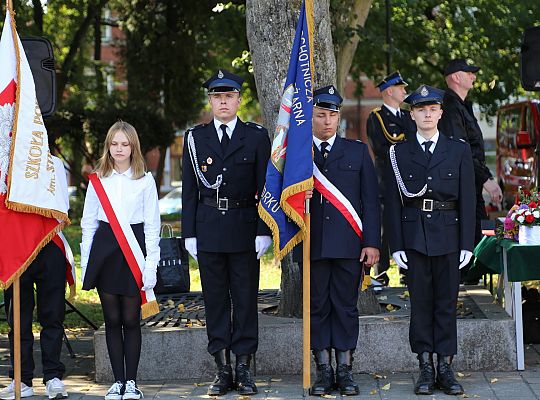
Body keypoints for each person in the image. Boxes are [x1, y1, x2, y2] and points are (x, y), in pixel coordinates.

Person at [181, 69, 272, 396]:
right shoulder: (195, 138)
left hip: (245, 227)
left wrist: (265, 230)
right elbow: (189, 190)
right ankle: (222, 369)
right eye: (217, 96)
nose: (223, 101)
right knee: (215, 300)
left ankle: (245, 368)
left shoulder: (257, 136)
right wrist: (188, 233)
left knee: (246, 299)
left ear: (238, 99)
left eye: (229, 96)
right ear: (210, 100)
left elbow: (266, 187)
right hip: (209, 228)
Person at [385, 85, 476, 396]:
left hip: (449, 236)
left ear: (440, 113)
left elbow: (467, 199)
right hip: (414, 238)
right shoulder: (399, 152)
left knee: (447, 304)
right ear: (412, 115)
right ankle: (425, 365)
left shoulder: (458, 149)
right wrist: (395, 244)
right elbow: (393, 202)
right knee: (421, 304)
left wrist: (467, 243)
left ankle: (445, 367)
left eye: (432, 109)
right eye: (420, 109)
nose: (426, 113)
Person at [304, 85, 380, 396]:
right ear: (311, 116)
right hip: (313, 244)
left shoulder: (357, 151)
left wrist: (372, 243)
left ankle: (345, 370)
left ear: (339, 119)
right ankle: (323, 370)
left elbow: (371, 202)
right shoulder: (297, 156)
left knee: (346, 307)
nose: (325, 121)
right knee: (318, 306)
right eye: (320, 115)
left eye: (331, 115)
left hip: (350, 245)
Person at [81, 121, 160, 400]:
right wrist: (86, 263)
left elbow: (152, 226)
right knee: (111, 319)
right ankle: (117, 382)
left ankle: (131, 383)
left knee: (131, 319)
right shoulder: (98, 179)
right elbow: (88, 223)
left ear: (133, 146)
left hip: (133, 251)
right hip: (105, 252)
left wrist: (151, 265)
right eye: (114, 143)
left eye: (124, 143)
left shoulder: (145, 180)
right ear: (108, 146)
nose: (119, 149)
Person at [0, 157, 71, 400]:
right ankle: (22, 378)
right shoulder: (4, 165)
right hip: (16, 248)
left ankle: (52, 376)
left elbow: (63, 206)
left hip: (48, 243)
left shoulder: (55, 164)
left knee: (52, 315)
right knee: (17, 318)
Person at [439, 59, 502, 283]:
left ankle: (470, 286)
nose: (473, 77)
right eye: (469, 73)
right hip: (460, 187)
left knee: (477, 239)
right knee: (468, 241)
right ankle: (463, 292)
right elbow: (461, 149)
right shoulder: (449, 107)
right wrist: (486, 178)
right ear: (456, 77)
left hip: (470, 185)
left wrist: (485, 178)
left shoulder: (462, 105)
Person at [366, 71, 416, 284]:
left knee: (409, 223)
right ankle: (381, 271)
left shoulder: (408, 116)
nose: (405, 91)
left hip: (408, 179)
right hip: (386, 179)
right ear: (389, 91)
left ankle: (408, 271)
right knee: (386, 225)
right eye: (401, 88)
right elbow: (381, 148)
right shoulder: (376, 117)